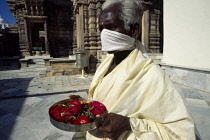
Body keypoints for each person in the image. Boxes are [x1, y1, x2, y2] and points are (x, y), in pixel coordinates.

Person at [87, 0, 196, 139]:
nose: (105, 34)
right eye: (102, 29)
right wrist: (85, 106)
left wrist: (129, 124)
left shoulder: (150, 74)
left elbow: (181, 133)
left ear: (134, 30)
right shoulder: (105, 64)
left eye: (111, 27)